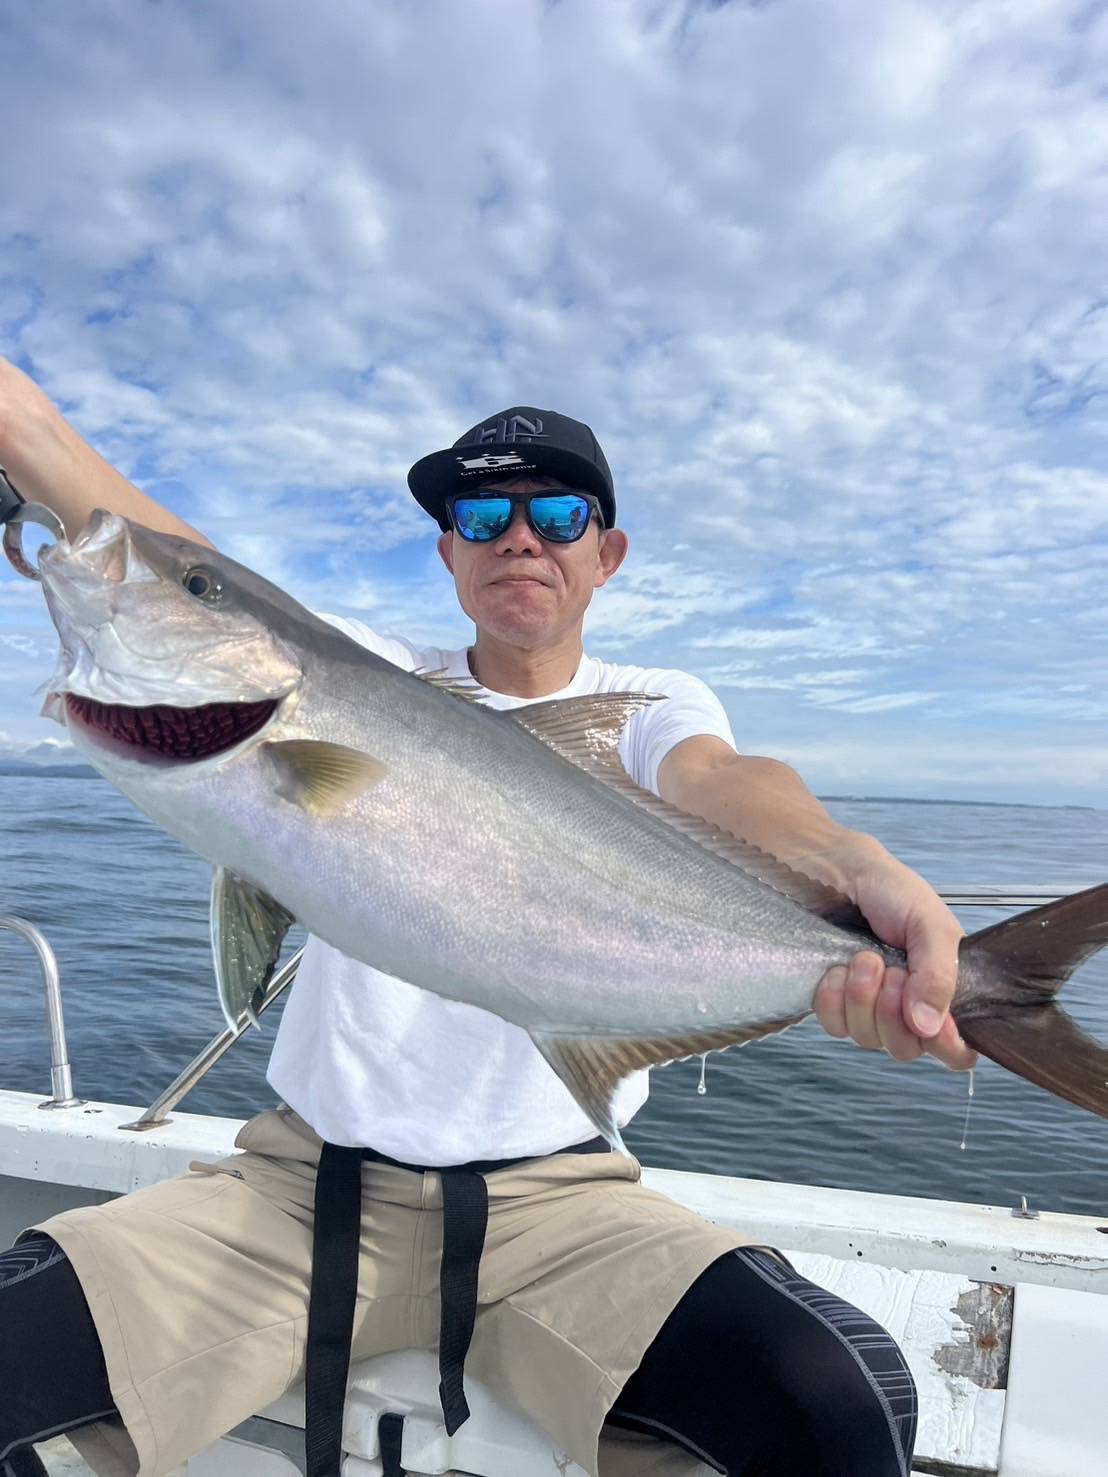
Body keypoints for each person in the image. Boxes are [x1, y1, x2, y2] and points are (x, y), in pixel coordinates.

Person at [0, 360, 975, 1477]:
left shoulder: (649, 710)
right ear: (449, 551)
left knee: (834, 1403)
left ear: (604, 553)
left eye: (558, 513)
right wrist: (22, 430)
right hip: (293, 1192)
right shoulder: (363, 672)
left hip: (561, 1206)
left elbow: (725, 780)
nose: (522, 536)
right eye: (483, 513)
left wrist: (849, 863)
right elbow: (182, 561)